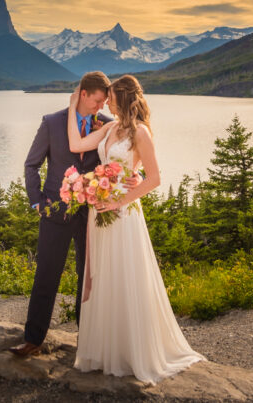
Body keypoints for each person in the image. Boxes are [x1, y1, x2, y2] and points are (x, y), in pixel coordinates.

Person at [68, 74, 204, 383]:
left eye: (112, 96)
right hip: (99, 213)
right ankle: (106, 352)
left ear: (124, 98)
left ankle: (131, 353)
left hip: (124, 214)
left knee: (125, 276)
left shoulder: (140, 132)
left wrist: (118, 201)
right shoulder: (108, 127)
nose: (107, 101)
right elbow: (75, 143)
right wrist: (71, 105)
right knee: (104, 277)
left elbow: (153, 178)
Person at [9, 71, 114, 357]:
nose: (100, 107)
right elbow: (32, 165)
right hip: (54, 212)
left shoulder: (106, 125)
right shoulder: (52, 122)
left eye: (104, 102)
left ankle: (87, 341)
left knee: (87, 277)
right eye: (97, 101)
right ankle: (32, 340)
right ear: (83, 94)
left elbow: (116, 163)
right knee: (46, 275)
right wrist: (37, 202)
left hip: (90, 215)